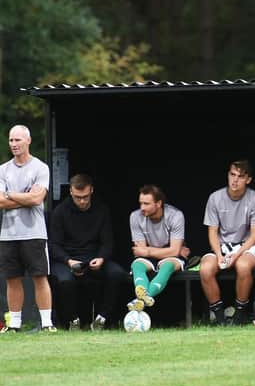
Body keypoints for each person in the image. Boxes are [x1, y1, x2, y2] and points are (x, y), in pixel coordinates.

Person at [49, 174, 128, 330]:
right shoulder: (60, 212)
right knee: (65, 281)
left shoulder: (102, 209)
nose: (82, 201)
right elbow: (53, 245)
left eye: (85, 197)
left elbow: (108, 242)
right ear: (71, 192)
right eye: (78, 197)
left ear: (91, 190)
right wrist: (69, 261)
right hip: (67, 259)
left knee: (117, 273)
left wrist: (101, 258)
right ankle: (72, 321)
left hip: (94, 257)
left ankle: (102, 319)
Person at [0, 125, 56, 333]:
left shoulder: (40, 168)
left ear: (28, 141)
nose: (14, 144)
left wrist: (10, 194)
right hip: (8, 234)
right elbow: (0, 201)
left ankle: (47, 323)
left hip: (34, 233)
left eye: (18, 140)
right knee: (12, 278)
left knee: (39, 277)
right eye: (11, 140)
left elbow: (37, 198)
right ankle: (14, 324)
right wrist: (23, 196)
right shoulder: (3, 170)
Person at [200, 160, 255, 325]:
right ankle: (220, 318)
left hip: (246, 246)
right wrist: (219, 255)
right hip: (222, 246)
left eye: (240, 176)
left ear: (248, 180)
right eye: (232, 175)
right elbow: (213, 231)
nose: (235, 180)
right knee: (205, 269)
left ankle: (239, 314)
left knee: (243, 266)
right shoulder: (215, 198)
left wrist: (236, 255)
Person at [128, 184, 190, 312]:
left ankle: (142, 299)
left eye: (146, 204)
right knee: (137, 266)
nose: (142, 208)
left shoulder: (175, 215)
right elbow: (140, 250)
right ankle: (145, 297)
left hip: (171, 257)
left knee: (167, 266)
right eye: (141, 203)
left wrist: (148, 251)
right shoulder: (135, 217)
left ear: (158, 204)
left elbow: (174, 251)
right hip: (154, 256)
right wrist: (148, 252)